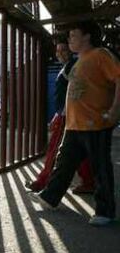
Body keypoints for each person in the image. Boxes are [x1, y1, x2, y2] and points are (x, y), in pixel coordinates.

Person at [30, 21, 120, 226]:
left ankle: (105, 211)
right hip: (74, 124)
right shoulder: (79, 60)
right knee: (64, 164)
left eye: (73, 34)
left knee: (100, 167)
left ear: (87, 36)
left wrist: (115, 109)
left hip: (95, 123)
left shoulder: (101, 55)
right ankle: (49, 197)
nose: (70, 38)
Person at [25, 40, 95, 193]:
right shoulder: (70, 66)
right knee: (79, 151)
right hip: (70, 115)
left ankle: (42, 183)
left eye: (63, 50)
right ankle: (89, 182)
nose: (60, 54)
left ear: (71, 50)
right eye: (57, 51)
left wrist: (61, 114)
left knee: (54, 150)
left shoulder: (73, 66)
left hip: (68, 116)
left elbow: (75, 92)